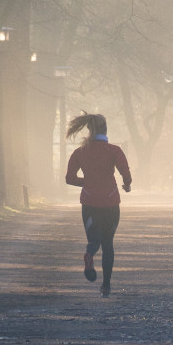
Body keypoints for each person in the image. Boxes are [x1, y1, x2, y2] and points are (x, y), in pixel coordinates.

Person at [65, 112, 132, 297]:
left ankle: (89, 254)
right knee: (108, 243)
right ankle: (106, 286)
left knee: (94, 241)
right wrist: (127, 185)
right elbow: (125, 173)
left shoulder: (80, 152)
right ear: (106, 129)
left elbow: (69, 179)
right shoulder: (114, 151)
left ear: (89, 129)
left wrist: (86, 183)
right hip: (110, 202)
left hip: (89, 202)